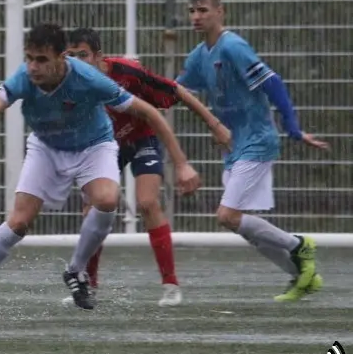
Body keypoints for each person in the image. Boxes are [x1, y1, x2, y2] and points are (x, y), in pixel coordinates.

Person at [0, 23, 201, 319]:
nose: (33, 67)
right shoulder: (22, 78)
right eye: (29, 58)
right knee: (19, 222)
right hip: (46, 147)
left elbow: (150, 112)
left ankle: (76, 270)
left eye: (42, 59)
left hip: (94, 146)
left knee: (107, 199)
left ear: (61, 57)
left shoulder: (89, 78)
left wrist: (182, 163)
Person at [178, 0, 328, 301]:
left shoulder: (233, 46)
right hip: (234, 148)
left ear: (220, 11)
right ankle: (302, 275)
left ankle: (298, 245)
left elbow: (273, 83)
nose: (196, 16)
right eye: (192, 10)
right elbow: (174, 90)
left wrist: (293, 128)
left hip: (258, 142)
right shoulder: (199, 56)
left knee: (226, 216)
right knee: (240, 224)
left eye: (203, 10)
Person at [65, 28, 232, 307]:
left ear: (99, 56)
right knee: (94, 209)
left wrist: (212, 127)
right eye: (70, 56)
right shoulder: (66, 86)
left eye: (83, 55)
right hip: (105, 147)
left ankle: (170, 285)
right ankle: (87, 285)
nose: (77, 62)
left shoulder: (127, 73)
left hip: (142, 137)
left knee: (147, 202)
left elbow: (176, 91)